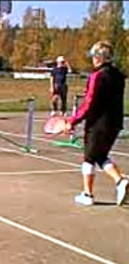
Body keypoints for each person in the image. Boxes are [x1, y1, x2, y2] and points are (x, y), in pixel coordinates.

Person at [65, 41, 128, 206]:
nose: (93, 60)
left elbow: (89, 102)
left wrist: (72, 121)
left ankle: (89, 193)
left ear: (99, 57)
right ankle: (120, 182)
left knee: (89, 158)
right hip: (114, 123)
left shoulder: (97, 76)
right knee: (100, 156)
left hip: (98, 124)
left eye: (94, 56)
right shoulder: (119, 75)